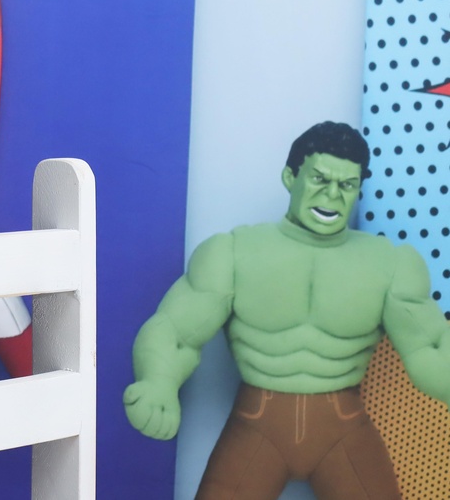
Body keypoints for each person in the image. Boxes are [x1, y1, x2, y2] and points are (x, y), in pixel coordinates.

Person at [125, 121, 450, 500]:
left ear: (359, 189)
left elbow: (430, 345)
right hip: (257, 426)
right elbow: (175, 331)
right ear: (290, 177)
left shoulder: (390, 264)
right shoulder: (233, 252)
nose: (332, 195)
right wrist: (157, 380)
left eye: (347, 185)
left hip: (343, 430)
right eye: (319, 179)